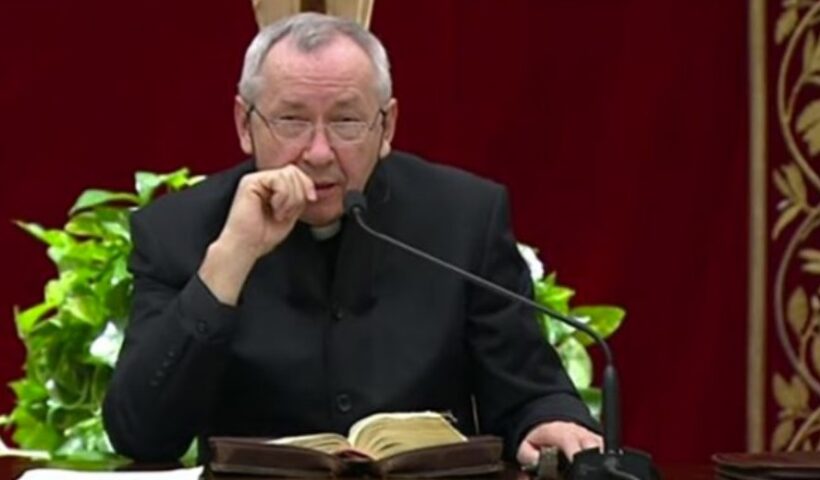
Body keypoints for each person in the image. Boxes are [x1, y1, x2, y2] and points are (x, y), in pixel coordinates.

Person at [102, 12, 602, 466]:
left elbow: (530, 390)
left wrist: (548, 420)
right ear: (244, 124)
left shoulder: (464, 217)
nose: (318, 152)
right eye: (292, 120)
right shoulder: (178, 230)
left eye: (345, 121)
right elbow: (141, 435)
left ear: (386, 127)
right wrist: (229, 259)